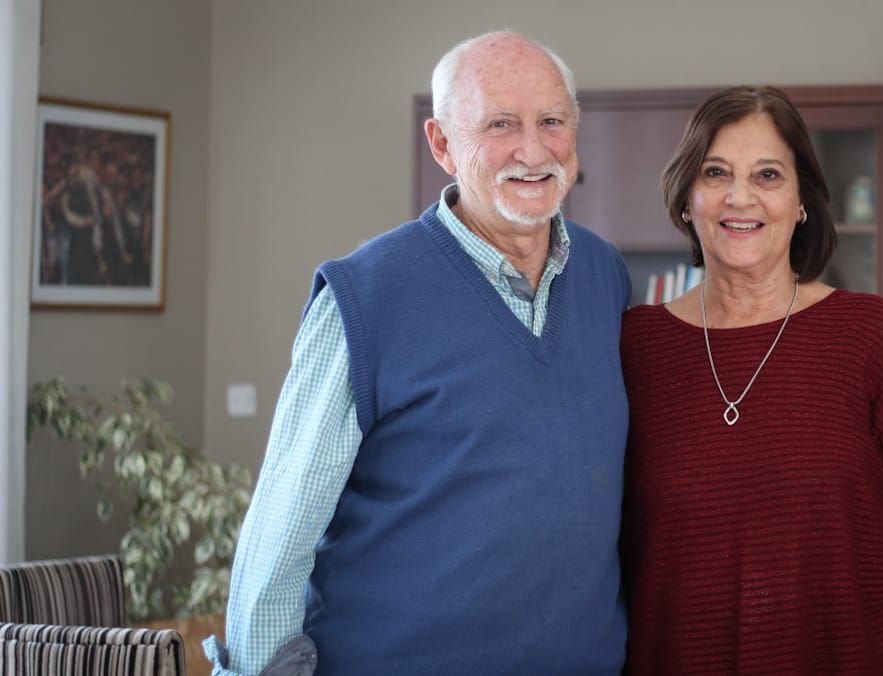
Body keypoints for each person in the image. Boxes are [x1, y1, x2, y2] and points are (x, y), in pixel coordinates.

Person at [206, 31, 631, 675]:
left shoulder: (606, 277)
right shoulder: (365, 295)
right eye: (500, 125)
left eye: (552, 122)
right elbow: (282, 533)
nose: (533, 149)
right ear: (441, 145)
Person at [619, 86, 883, 675]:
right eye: (716, 172)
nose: (741, 197)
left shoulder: (870, 335)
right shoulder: (634, 346)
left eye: (767, 175)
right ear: (687, 198)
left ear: (802, 201)